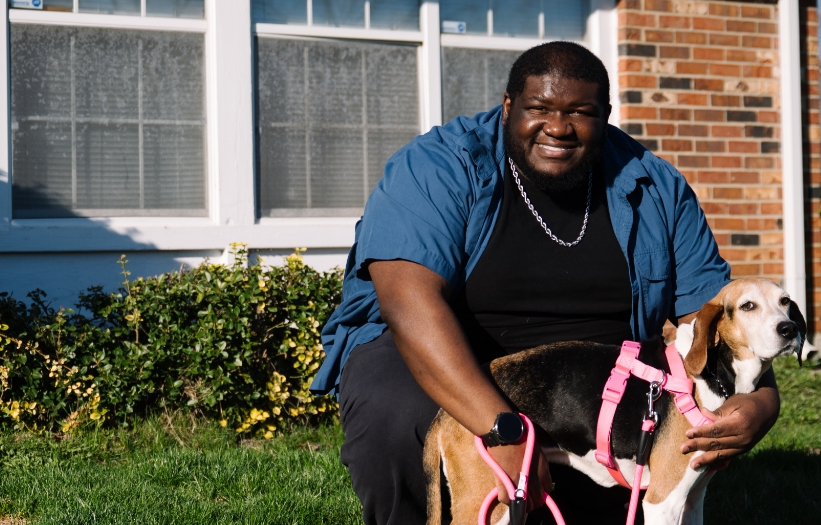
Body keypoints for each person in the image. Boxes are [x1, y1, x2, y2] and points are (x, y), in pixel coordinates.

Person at [307, 42, 782, 524]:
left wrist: (763, 403)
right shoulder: (439, 165)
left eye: (580, 112)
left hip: (591, 387)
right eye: (539, 108)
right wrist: (504, 430)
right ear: (509, 104)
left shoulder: (655, 186)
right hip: (447, 353)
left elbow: (718, 317)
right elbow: (408, 305)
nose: (558, 127)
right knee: (396, 418)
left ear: (606, 114)